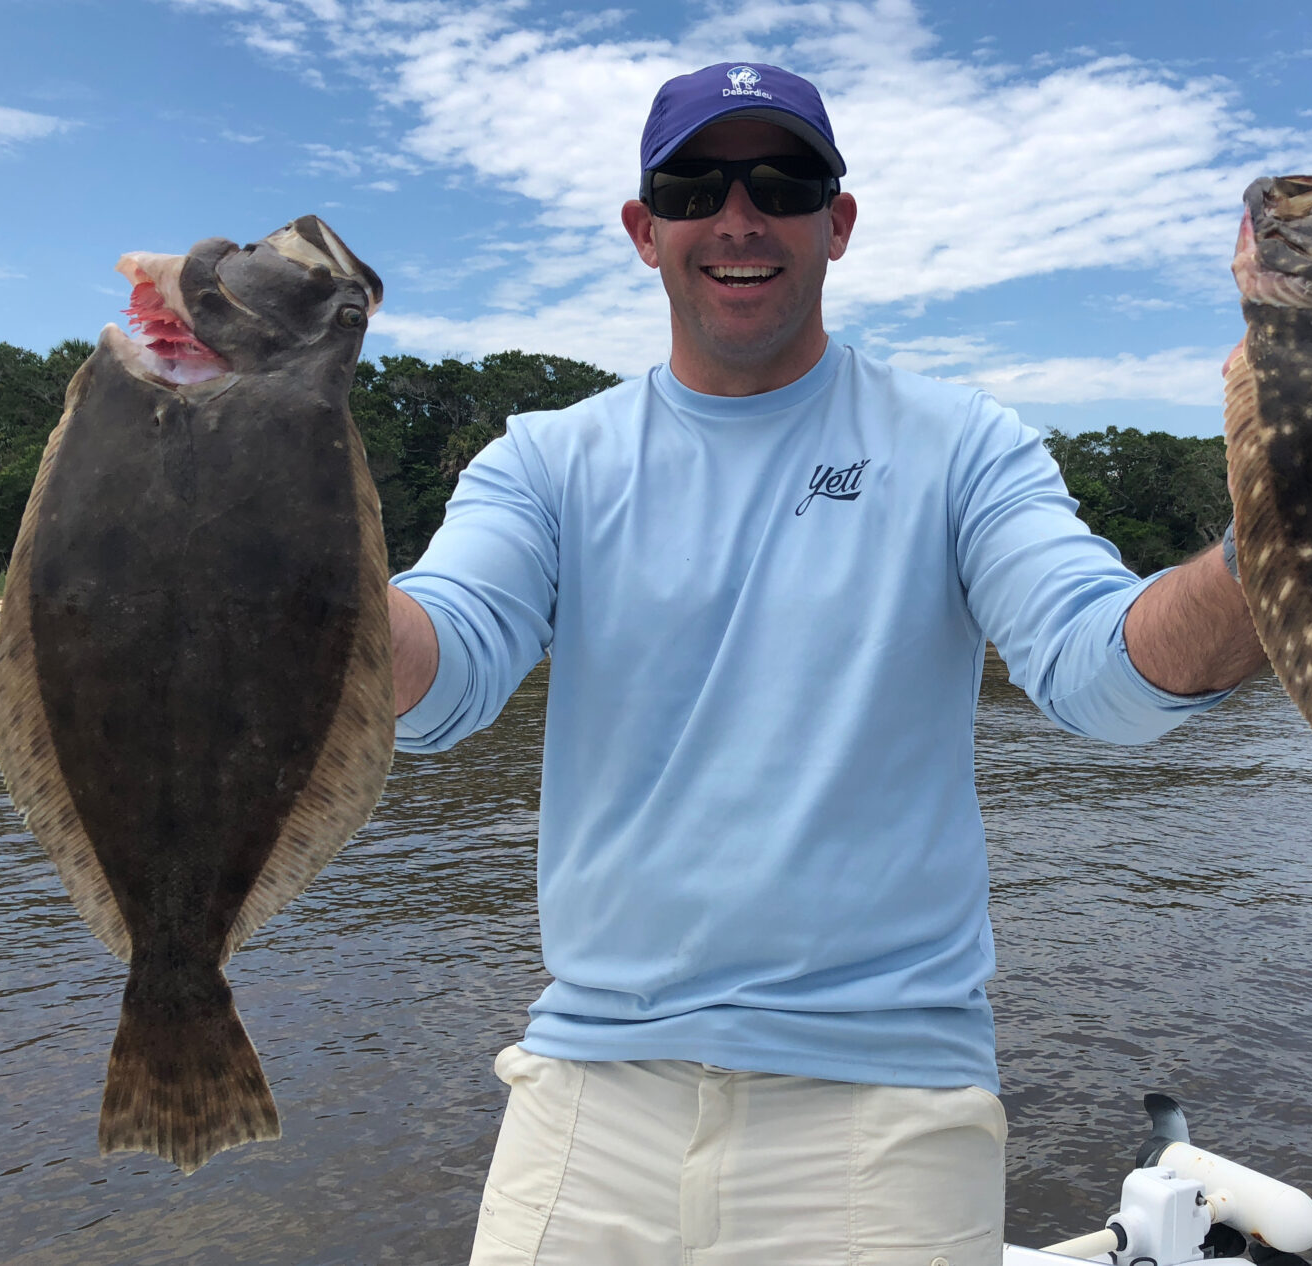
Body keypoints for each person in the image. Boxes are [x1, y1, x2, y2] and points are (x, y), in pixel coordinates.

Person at [384, 61, 1267, 1266]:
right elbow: (439, 678)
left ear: (835, 223)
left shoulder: (963, 446)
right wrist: (278, 526)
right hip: (590, 1082)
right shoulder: (545, 461)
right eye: (694, 185)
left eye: (783, 181)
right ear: (646, 231)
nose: (737, 216)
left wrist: (1272, 542)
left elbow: (1101, 671)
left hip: (887, 1100)